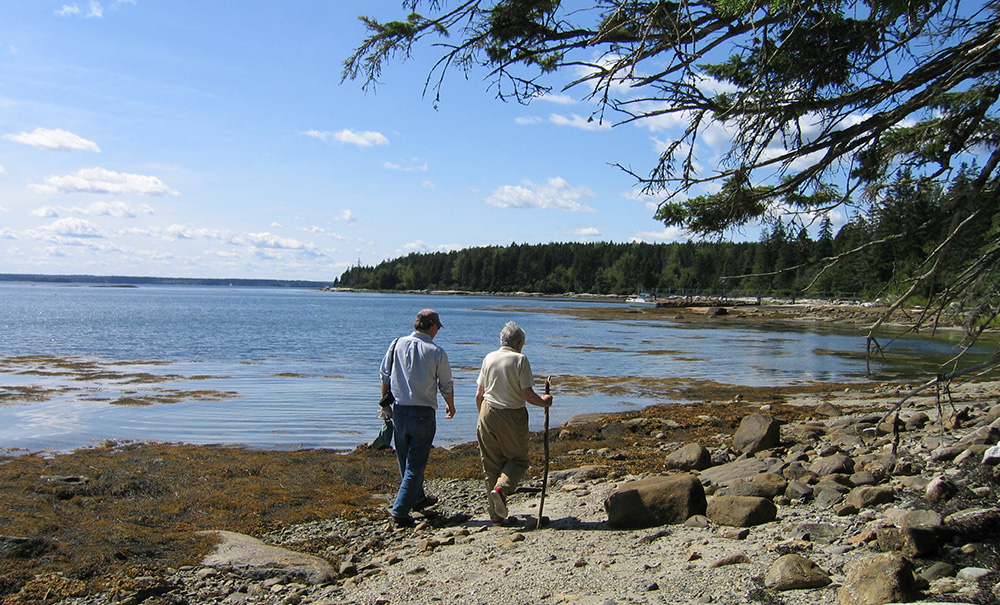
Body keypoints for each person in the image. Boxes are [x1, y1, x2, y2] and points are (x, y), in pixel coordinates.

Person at [380, 308, 456, 527]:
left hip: (400, 410)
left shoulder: (396, 344)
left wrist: (386, 405)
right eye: (437, 328)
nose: (437, 332)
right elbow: (446, 384)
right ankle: (400, 510)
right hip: (423, 412)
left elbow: (385, 375)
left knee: (405, 459)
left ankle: (418, 497)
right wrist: (450, 406)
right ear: (432, 326)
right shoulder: (436, 352)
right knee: (416, 464)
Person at [475, 321, 552, 525]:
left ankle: (496, 516)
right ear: (519, 344)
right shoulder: (520, 360)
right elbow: (526, 394)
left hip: (487, 411)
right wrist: (544, 402)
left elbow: (479, 394)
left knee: (491, 464)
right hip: (511, 413)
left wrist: (482, 416)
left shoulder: (489, 357)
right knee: (518, 460)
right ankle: (501, 490)